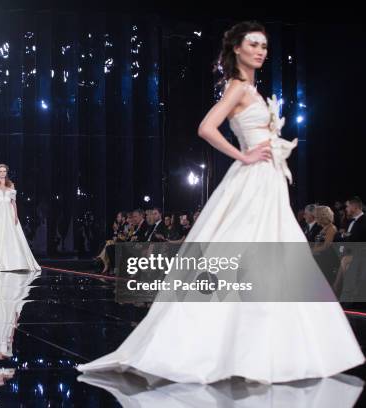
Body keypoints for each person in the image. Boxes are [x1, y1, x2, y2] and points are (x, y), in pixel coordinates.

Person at [77, 21, 364, 384]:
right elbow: (206, 127)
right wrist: (242, 156)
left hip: (270, 182)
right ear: (237, 50)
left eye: (264, 45)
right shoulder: (238, 86)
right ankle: (226, 345)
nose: (261, 50)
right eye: (253, 44)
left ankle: (269, 348)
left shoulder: (254, 89)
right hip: (254, 180)